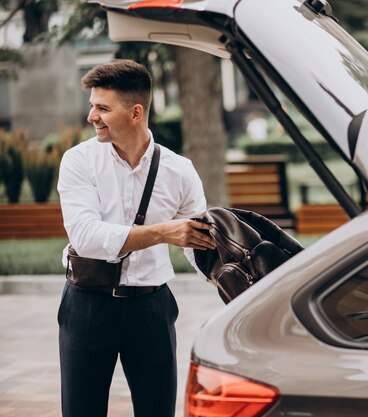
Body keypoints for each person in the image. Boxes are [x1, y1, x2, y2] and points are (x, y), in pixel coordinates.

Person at [57, 59, 215, 417]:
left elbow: (195, 244)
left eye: (102, 108)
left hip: (151, 310)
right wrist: (164, 232)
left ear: (135, 112)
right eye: (92, 106)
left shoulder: (180, 170)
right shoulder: (79, 161)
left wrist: (226, 277)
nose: (91, 116)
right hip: (87, 305)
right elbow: (86, 236)